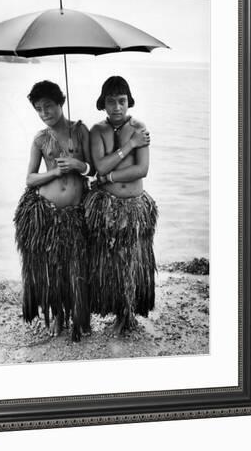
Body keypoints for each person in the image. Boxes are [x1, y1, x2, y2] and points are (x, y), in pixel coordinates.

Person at [14, 80, 93, 342]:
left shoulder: (80, 131)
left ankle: (80, 316)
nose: (44, 113)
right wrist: (56, 171)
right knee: (53, 269)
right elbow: (30, 179)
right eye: (38, 109)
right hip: (48, 212)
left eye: (48, 106)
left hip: (75, 212)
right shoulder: (40, 139)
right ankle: (58, 315)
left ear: (61, 102)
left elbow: (95, 168)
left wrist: (78, 165)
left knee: (76, 267)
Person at [84, 75, 158, 335]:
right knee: (111, 262)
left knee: (132, 260)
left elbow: (142, 169)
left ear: (129, 102)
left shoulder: (140, 127)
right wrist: (130, 145)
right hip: (107, 206)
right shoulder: (97, 131)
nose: (117, 107)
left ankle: (128, 315)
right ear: (102, 103)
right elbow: (99, 166)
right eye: (111, 101)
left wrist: (109, 177)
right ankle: (117, 313)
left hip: (135, 207)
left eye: (122, 101)